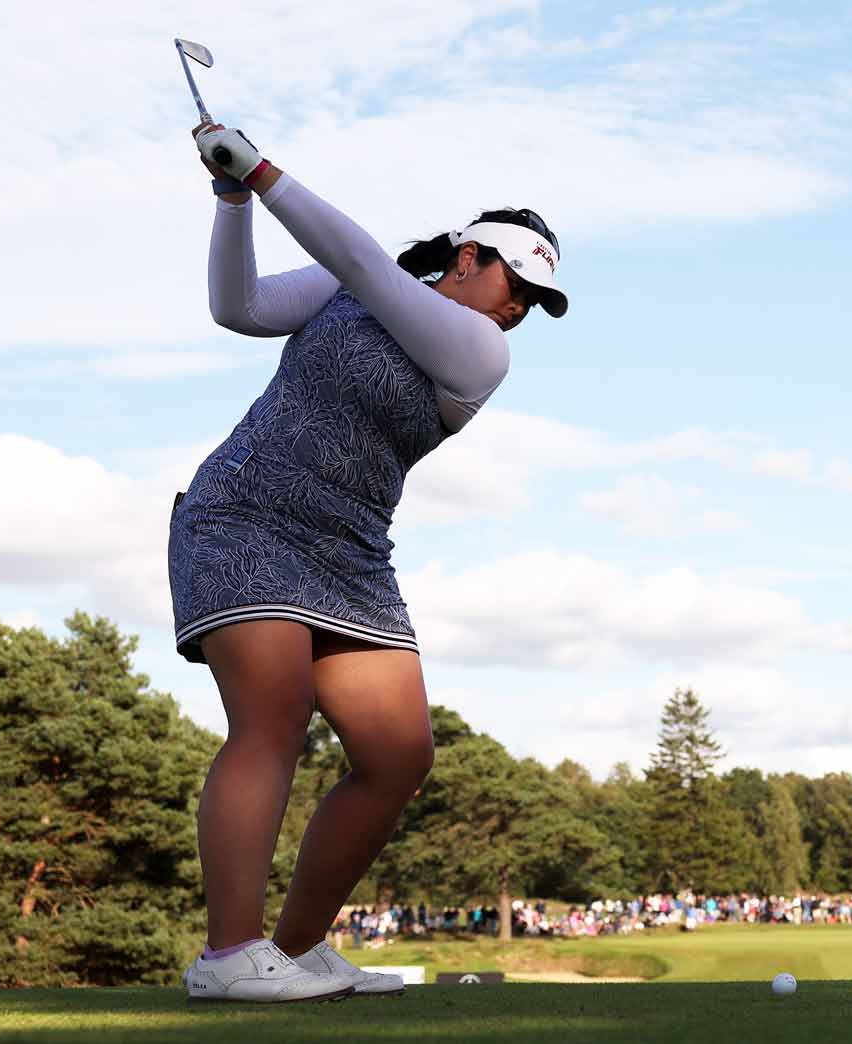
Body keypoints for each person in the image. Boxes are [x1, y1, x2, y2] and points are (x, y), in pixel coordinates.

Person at [172, 121, 568, 1004]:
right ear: (467, 257)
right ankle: (228, 957)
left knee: (399, 757)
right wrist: (235, 201)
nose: (519, 309)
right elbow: (237, 308)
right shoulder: (362, 284)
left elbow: (362, 266)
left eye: (538, 303)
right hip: (246, 515)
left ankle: (302, 947)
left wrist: (265, 172)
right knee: (272, 719)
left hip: (351, 554)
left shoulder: (478, 352)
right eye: (517, 283)